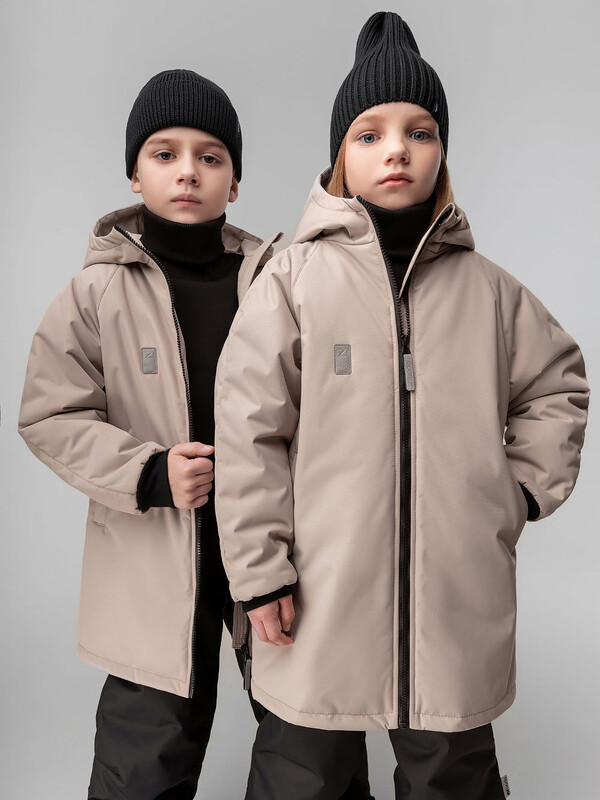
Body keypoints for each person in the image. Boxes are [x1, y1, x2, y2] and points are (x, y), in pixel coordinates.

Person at [213, 12, 590, 800]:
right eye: (370, 133)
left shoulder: (489, 293)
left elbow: (558, 383)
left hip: (453, 604)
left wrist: (518, 492)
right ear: (340, 157)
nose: (397, 150)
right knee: (303, 775)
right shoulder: (292, 284)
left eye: (420, 132)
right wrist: (258, 575)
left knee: (454, 776)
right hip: (316, 595)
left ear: (442, 150)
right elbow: (248, 433)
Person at [17, 68, 372, 800]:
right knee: (143, 763)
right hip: (152, 564)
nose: (188, 171)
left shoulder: (278, 281)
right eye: (165, 154)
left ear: (234, 183)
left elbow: (329, 406)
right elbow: (50, 414)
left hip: (276, 551)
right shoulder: (96, 293)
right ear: (135, 174)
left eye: (210, 157)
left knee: (316, 747)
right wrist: (149, 472)